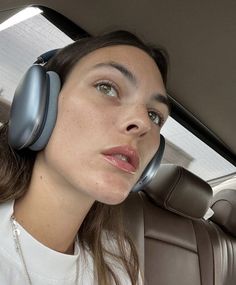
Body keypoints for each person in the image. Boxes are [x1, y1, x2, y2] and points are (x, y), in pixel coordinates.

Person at [0, 30, 170, 285]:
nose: (143, 123)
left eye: (155, 115)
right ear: (38, 105)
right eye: (107, 87)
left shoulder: (121, 266)